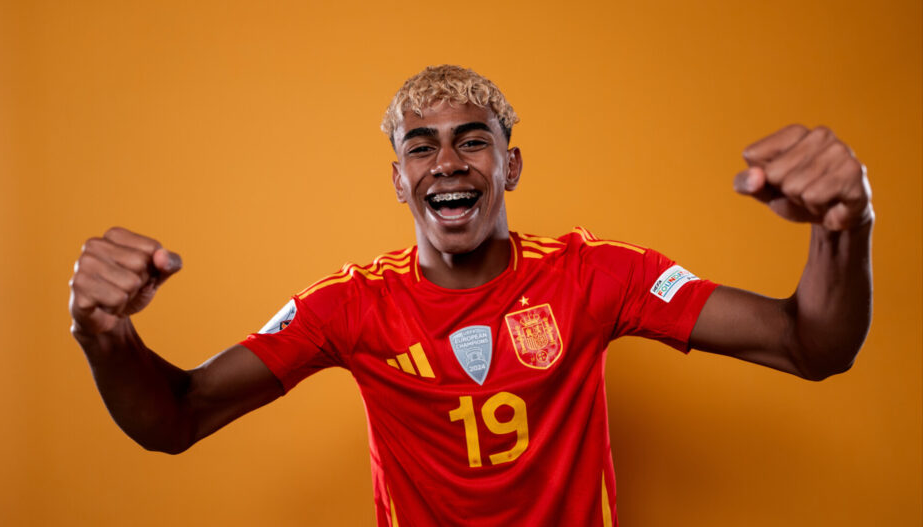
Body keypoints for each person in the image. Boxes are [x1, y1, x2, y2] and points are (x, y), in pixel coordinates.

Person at [68, 65, 873, 526]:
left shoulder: (595, 273)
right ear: (399, 180)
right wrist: (106, 335)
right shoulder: (347, 305)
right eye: (421, 147)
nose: (448, 162)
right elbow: (176, 417)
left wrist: (844, 227)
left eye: (472, 140)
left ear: (509, 167)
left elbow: (811, 345)